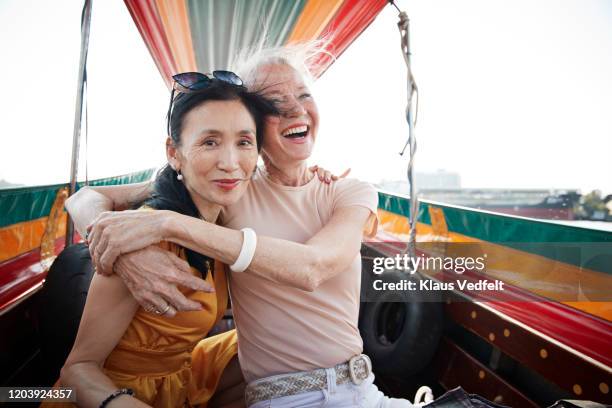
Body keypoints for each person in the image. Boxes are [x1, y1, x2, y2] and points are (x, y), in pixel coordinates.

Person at [68, 45, 429, 407]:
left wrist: (167, 225)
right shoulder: (226, 189)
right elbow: (85, 198)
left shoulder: (346, 191)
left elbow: (313, 267)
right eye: (275, 102)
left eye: (304, 95)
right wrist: (118, 251)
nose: (295, 109)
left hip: (364, 390)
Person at [45, 73, 278, 408]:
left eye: (244, 142)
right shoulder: (141, 239)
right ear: (174, 152)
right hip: (113, 392)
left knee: (278, 345)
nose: (230, 163)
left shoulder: (226, 217)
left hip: (180, 375)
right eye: (209, 142)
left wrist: (321, 180)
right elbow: (78, 369)